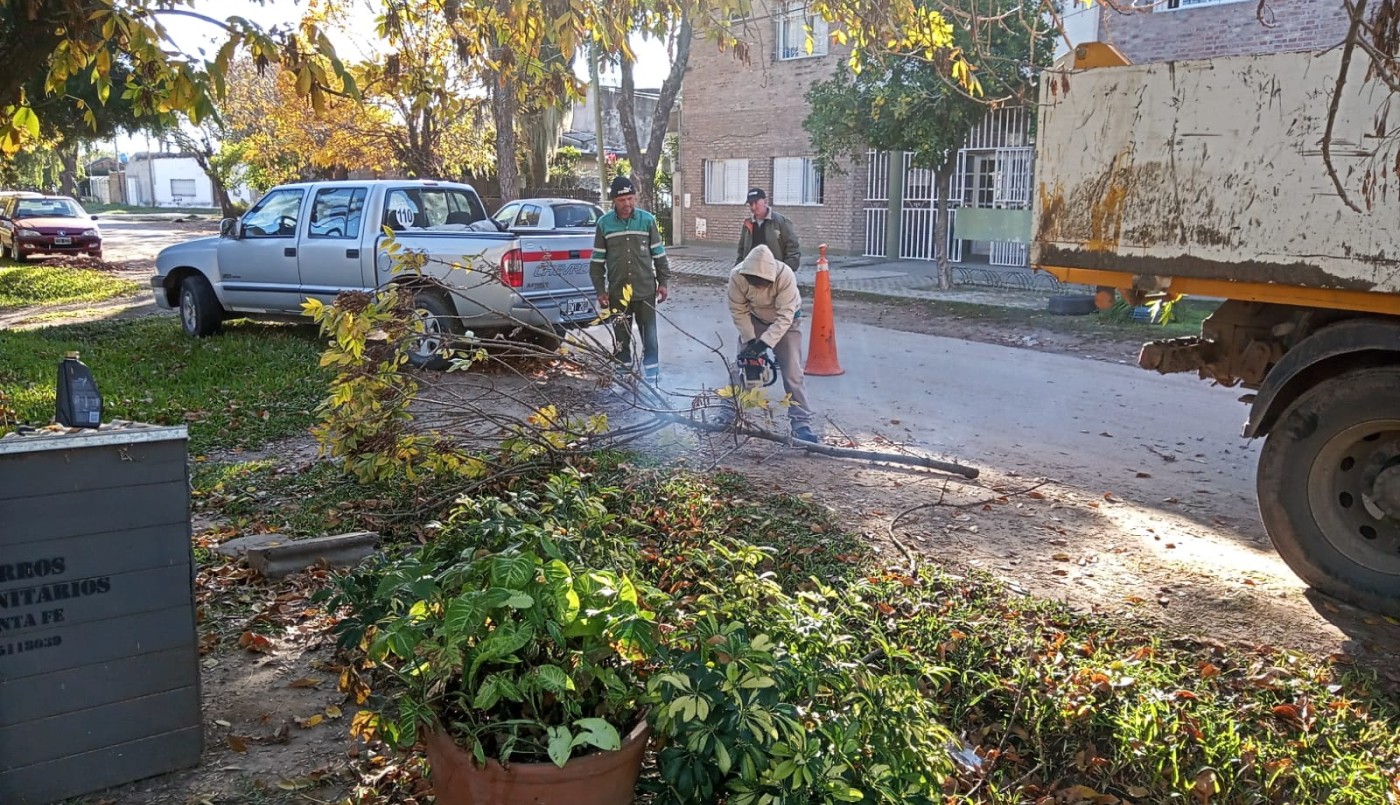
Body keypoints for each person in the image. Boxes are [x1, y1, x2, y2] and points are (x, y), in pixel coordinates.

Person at [726, 244, 818, 443]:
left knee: (793, 373)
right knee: (742, 366)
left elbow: (785, 316)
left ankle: (802, 424)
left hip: (787, 323)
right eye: (754, 281)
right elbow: (738, 311)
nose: (757, 284)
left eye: (761, 282)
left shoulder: (785, 275)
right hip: (754, 321)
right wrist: (751, 342)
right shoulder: (737, 276)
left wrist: (764, 344)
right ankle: (729, 412)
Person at [590, 176, 671, 383]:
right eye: (622, 200)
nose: (627, 204)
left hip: (645, 291)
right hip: (618, 294)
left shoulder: (647, 221)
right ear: (613, 201)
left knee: (650, 338)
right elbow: (597, 263)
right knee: (621, 339)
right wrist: (600, 290)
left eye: (630, 198)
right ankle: (623, 379)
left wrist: (663, 283)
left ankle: (652, 379)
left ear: (635, 198)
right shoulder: (604, 224)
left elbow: (659, 255)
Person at [736, 188, 801, 272]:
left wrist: (785, 271)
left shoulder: (781, 222)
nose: (753, 207)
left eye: (756, 203)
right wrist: (738, 269)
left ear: (765, 202)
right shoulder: (748, 224)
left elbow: (793, 248)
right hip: (752, 273)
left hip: (775, 273)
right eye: (751, 204)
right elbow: (741, 249)